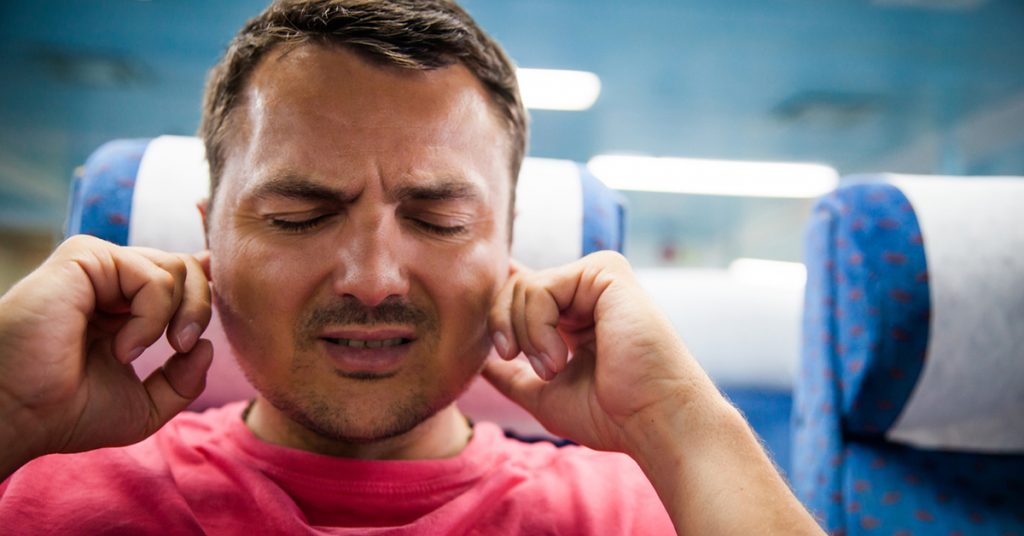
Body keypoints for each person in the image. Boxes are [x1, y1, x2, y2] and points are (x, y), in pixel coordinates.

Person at [0, 1, 823, 534]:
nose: (372, 278)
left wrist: (681, 424)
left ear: (507, 248)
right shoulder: (46, 498)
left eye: (438, 220)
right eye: (300, 216)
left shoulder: (626, 514)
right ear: (211, 242)